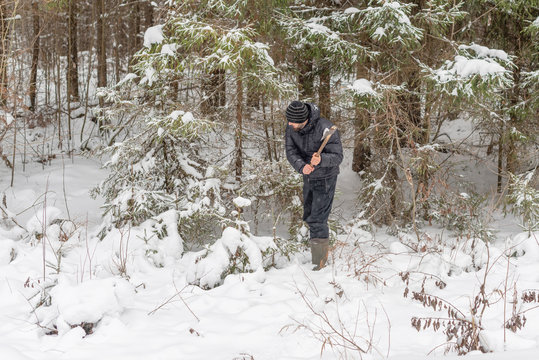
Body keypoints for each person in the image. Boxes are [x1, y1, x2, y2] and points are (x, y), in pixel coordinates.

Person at [285, 101, 343, 270]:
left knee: (318, 219)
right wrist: (301, 166)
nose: (289, 124)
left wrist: (322, 159)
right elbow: (291, 151)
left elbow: (338, 156)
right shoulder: (291, 127)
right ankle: (317, 252)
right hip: (308, 176)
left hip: (325, 178)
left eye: (293, 122)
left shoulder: (325, 128)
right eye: (289, 121)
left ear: (303, 120)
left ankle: (319, 263)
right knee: (309, 216)